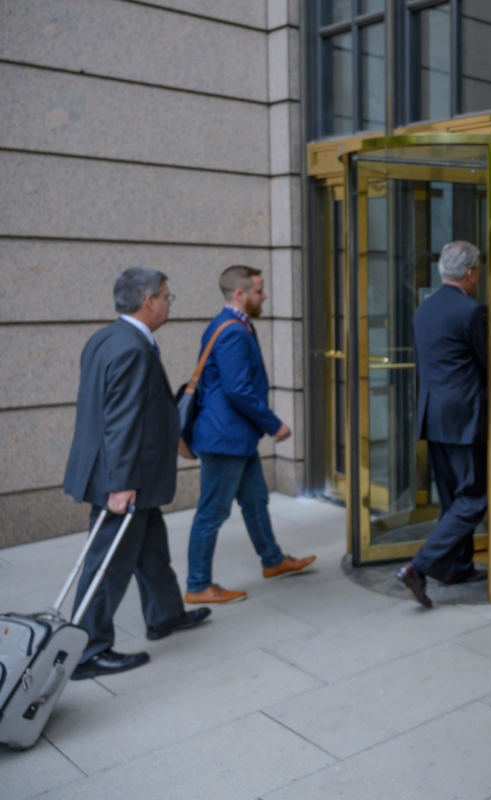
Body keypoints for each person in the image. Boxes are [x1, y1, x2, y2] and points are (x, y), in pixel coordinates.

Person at [63, 269, 211, 680]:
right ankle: (87, 650)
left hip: (128, 473)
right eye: (167, 296)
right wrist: (121, 484)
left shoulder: (107, 338)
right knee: (108, 564)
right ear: (149, 301)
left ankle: (165, 615)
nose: (168, 303)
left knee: (151, 551)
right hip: (125, 478)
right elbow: (122, 421)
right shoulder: (131, 349)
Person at [183, 266, 315, 604]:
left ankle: (273, 560)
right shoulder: (232, 332)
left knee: (255, 500)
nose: (264, 296)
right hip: (226, 438)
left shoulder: (231, 325)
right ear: (239, 294)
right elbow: (238, 390)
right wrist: (274, 424)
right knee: (212, 512)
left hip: (235, 437)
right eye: (259, 290)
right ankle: (198, 586)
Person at [396, 241, 490, 607]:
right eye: (477, 272)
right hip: (465, 417)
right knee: (474, 497)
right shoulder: (472, 311)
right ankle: (419, 567)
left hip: (432, 414)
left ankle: (456, 567)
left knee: (452, 497)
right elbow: (488, 365)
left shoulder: (424, 309)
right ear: (471, 274)